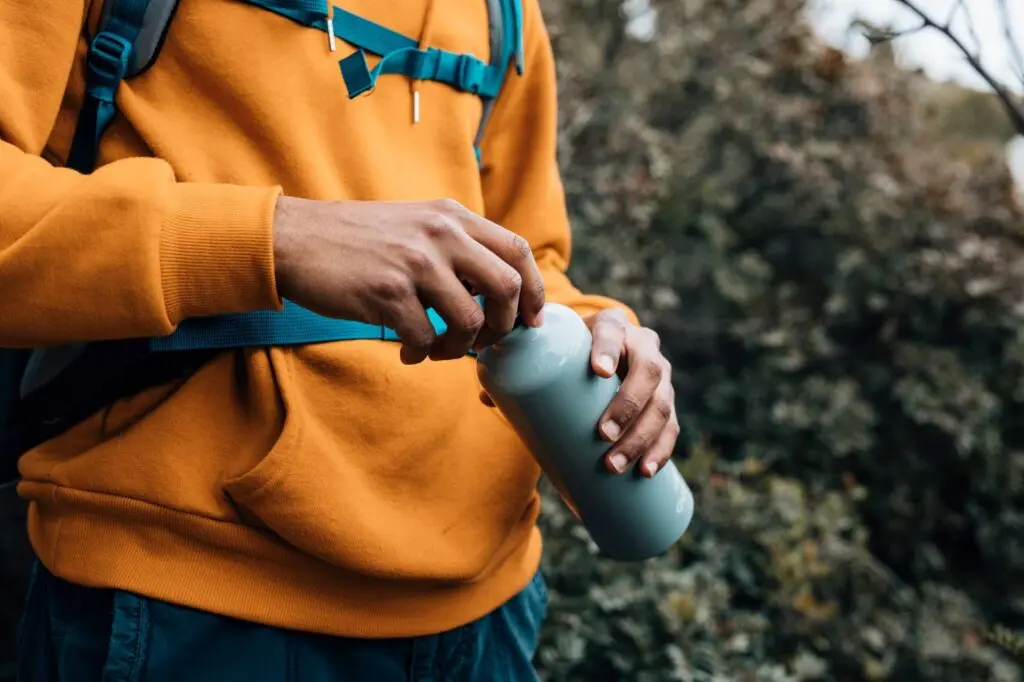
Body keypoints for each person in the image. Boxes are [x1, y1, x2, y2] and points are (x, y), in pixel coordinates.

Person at [1, 0, 680, 679]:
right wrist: (277, 239)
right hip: (188, 594)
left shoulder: (505, 12)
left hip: (490, 609)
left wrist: (597, 329)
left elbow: (529, 260)